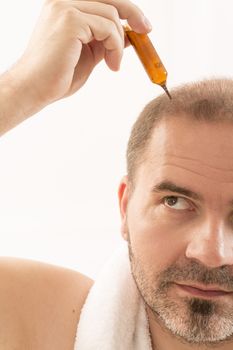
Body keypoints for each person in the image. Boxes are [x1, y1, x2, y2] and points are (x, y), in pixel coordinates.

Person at [1, 2, 233, 350]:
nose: (211, 253)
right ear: (125, 207)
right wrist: (20, 90)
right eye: (175, 201)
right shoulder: (37, 320)